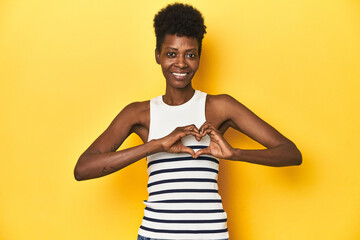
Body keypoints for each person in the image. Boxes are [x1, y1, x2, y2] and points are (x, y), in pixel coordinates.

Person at [74, 3, 302, 240]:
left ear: (199, 57)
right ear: (157, 55)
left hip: (211, 235)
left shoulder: (219, 107)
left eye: (190, 55)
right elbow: (83, 168)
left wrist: (236, 153)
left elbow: (291, 153)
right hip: (156, 235)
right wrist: (154, 145)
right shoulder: (139, 113)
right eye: (171, 53)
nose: (181, 63)